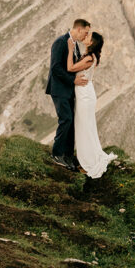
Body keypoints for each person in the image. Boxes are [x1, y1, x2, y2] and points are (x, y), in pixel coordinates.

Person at [67, 29, 116, 178]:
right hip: (84, 92)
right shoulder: (89, 56)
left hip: (85, 95)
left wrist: (70, 50)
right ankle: (89, 158)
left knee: (84, 127)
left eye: (88, 36)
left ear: (92, 42)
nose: (85, 37)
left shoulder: (89, 58)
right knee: (85, 126)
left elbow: (70, 68)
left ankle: (89, 162)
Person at [45, 18, 91, 170]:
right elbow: (56, 68)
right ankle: (57, 154)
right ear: (78, 29)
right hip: (59, 89)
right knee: (66, 119)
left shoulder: (75, 45)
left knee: (71, 122)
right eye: (85, 32)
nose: (86, 36)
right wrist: (73, 81)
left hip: (69, 90)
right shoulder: (60, 42)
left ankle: (68, 156)